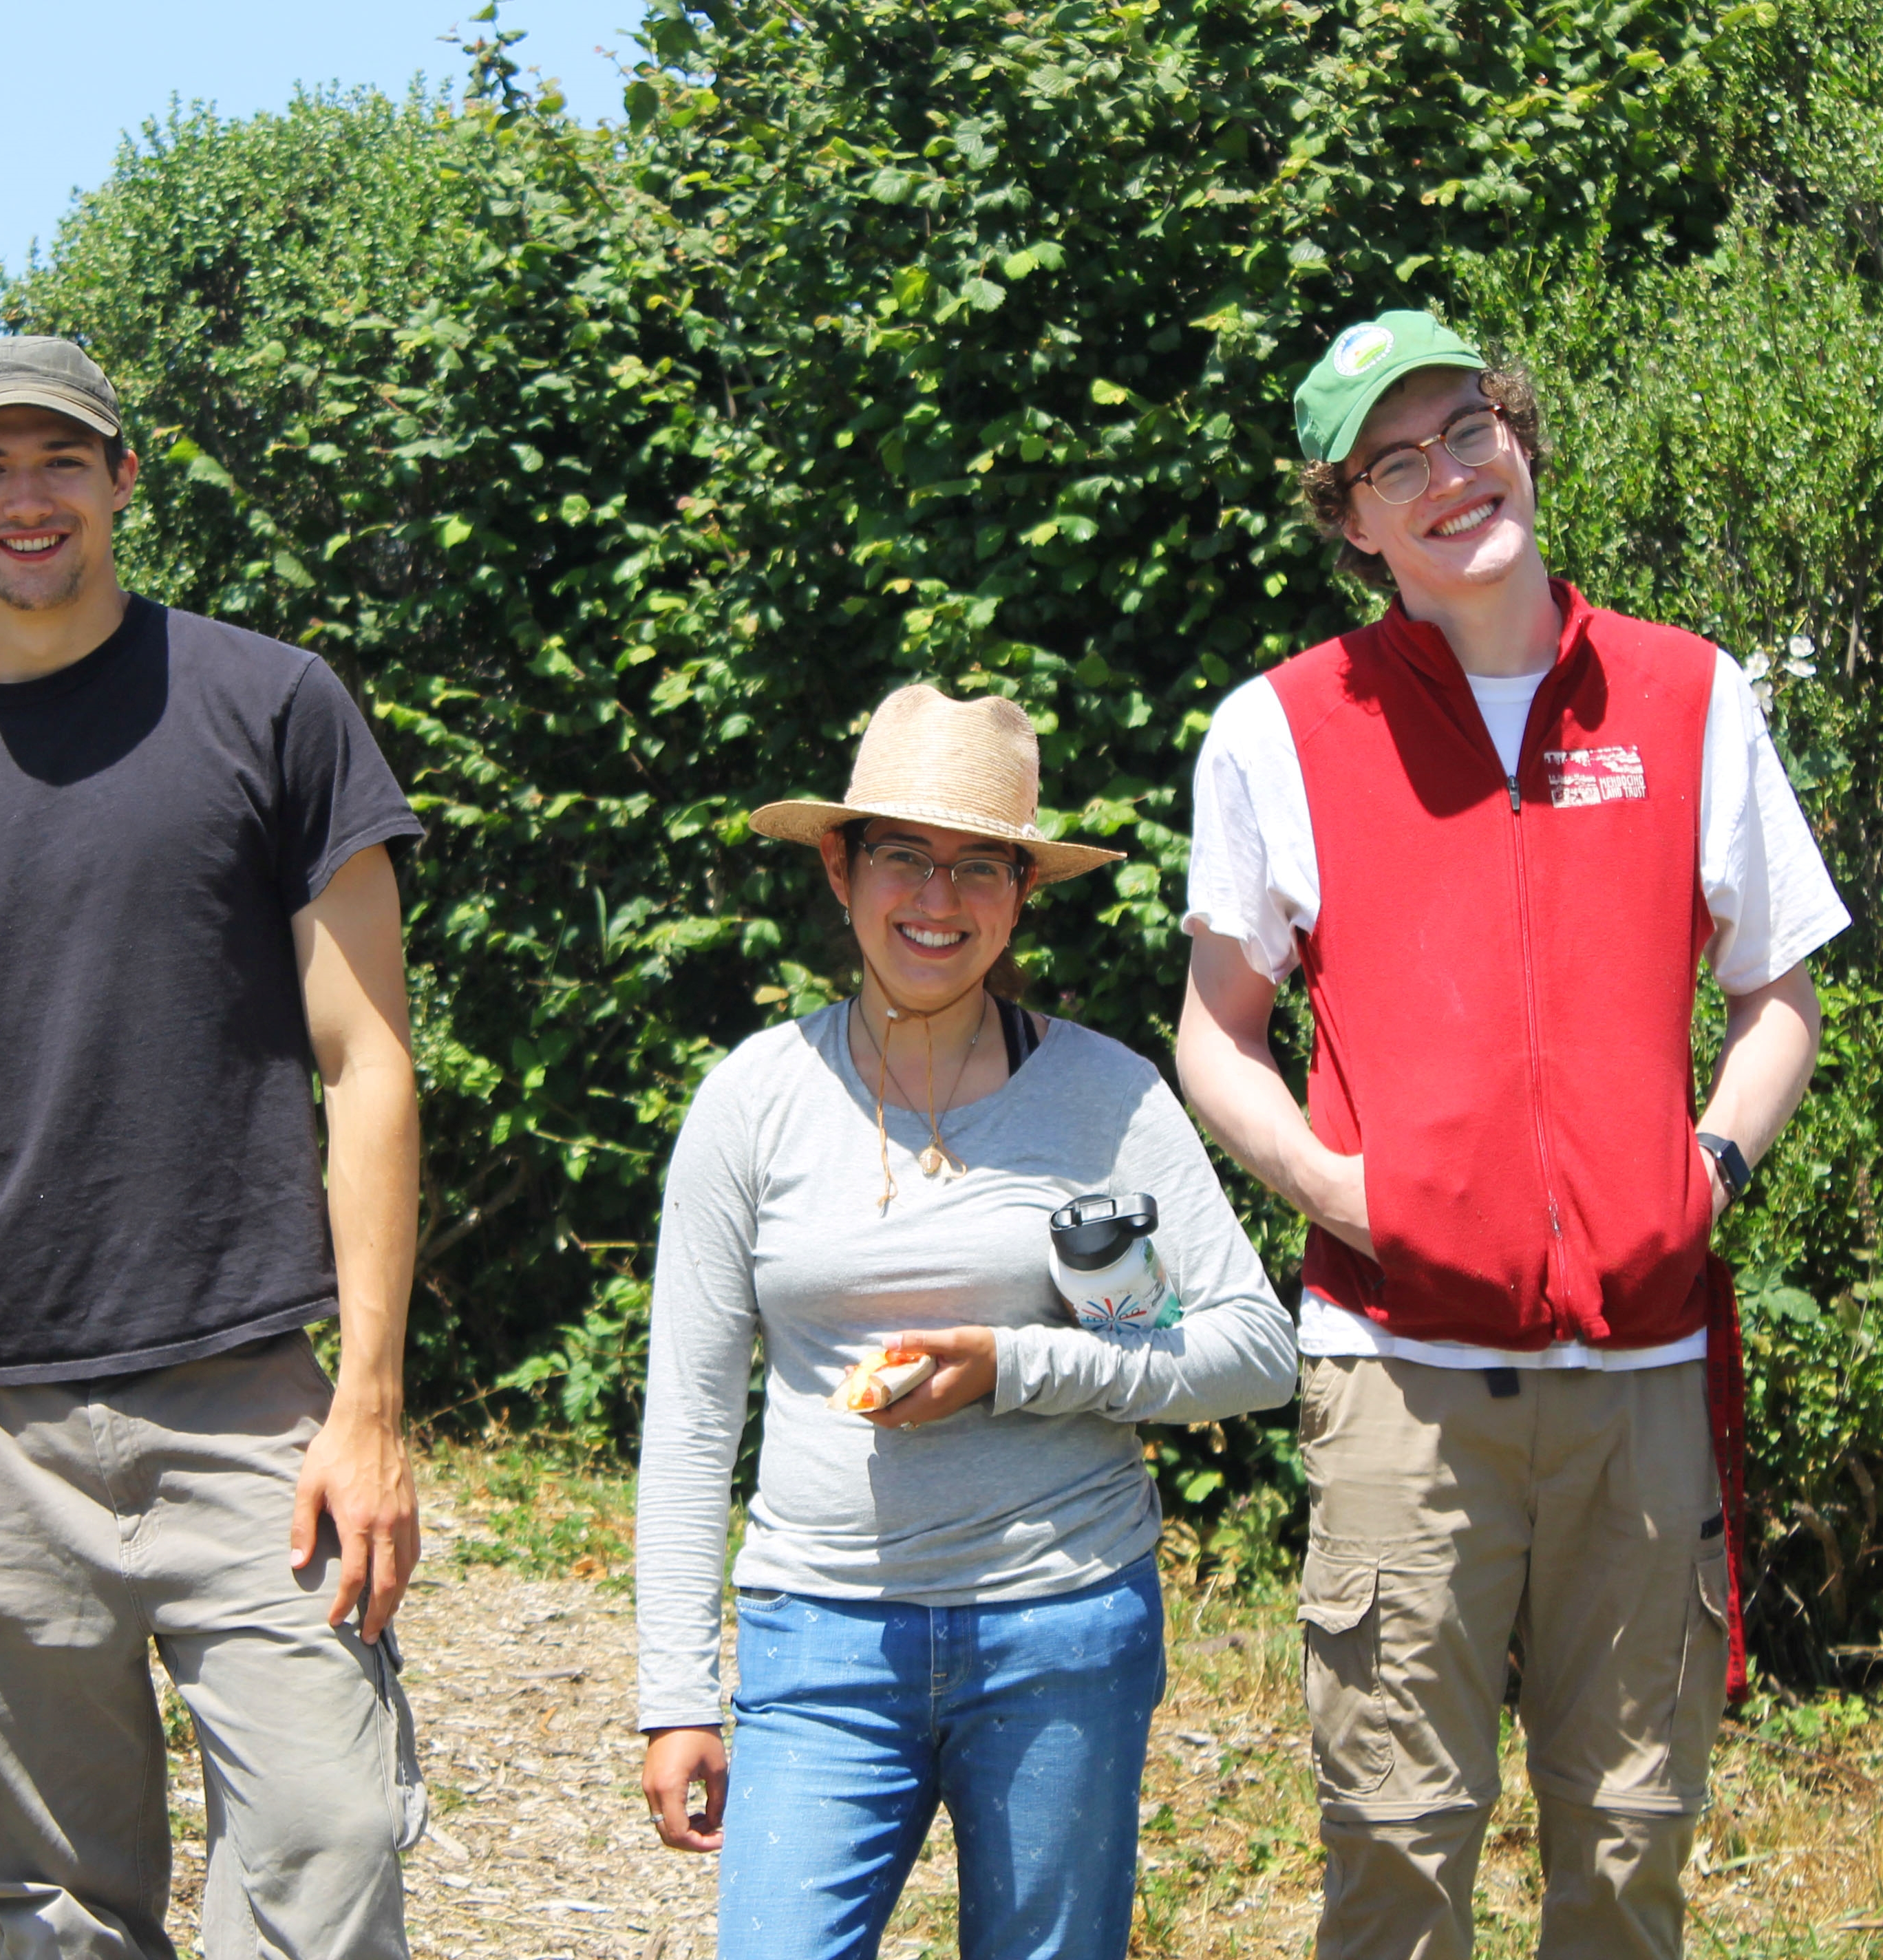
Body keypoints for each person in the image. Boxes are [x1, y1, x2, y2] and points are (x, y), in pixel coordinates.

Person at [1176, 310, 1849, 1959]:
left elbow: (1780, 999)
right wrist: (1346, 1189)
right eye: (1393, 462)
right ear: (1352, 520)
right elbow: (1216, 1034)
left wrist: (1712, 1172)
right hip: (1401, 1380)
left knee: (1629, 1862)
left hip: (1642, 1392)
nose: (1449, 476)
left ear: (1518, 433)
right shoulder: (1279, 727)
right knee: (1396, 1861)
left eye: (1465, 428)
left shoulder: (1690, 691)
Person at [0, 336, 429, 1960]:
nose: (27, 495)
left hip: (247, 1401)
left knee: (333, 1840)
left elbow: (370, 1057)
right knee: (56, 1914)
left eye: (62, 457)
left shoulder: (271, 704)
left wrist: (371, 1404)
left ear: (126, 478)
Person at [634, 684, 1296, 1959]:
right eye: (903, 857)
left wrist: (1015, 1365)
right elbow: (691, 1412)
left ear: (1018, 893)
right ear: (839, 867)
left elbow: (1252, 1354)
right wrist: (674, 1692)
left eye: (977, 866)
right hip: (816, 1636)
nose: (936, 901)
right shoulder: (752, 1101)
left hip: (1061, 1625)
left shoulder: (1110, 1097)